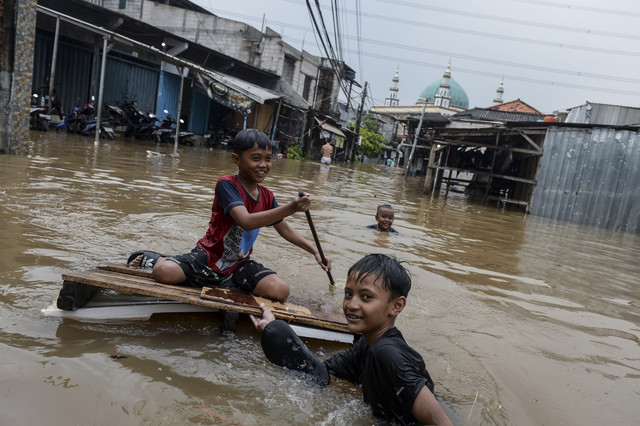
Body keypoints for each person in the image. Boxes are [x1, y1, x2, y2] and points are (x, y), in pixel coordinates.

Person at [128, 129, 331, 304]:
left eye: (268, 159)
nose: (263, 165)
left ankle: (226, 281)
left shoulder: (267, 196)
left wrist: (315, 251)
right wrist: (292, 207)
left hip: (238, 264)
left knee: (280, 290)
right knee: (163, 273)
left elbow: (283, 227)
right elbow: (245, 221)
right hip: (208, 256)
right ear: (237, 159)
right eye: (255, 158)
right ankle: (160, 258)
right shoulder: (227, 184)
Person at [250, 254, 453, 425]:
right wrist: (274, 330)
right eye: (348, 294)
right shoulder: (367, 344)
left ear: (396, 306)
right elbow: (323, 376)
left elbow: (442, 423)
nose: (351, 305)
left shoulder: (387, 353)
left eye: (366, 297)